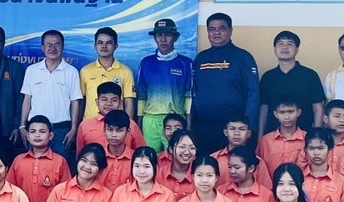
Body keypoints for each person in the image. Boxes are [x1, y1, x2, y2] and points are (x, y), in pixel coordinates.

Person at [191, 13, 259, 155]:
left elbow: (253, 93)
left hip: (233, 130)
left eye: (221, 28)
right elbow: (193, 92)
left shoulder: (243, 57)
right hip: (204, 129)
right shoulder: (201, 58)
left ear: (230, 31)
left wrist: (249, 127)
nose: (216, 32)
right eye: (212, 29)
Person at [20, 30, 83, 159]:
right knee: (36, 164)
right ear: (43, 48)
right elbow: (27, 99)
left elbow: (75, 102)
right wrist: (22, 126)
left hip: (61, 130)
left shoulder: (72, 72)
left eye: (57, 44)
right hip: (36, 129)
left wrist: (73, 129)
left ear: (63, 47)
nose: (52, 48)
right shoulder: (32, 70)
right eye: (49, 44)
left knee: (60, 165)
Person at [136, 19, 193, 153]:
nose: (163, 39)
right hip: (150, 120)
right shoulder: (146, 63)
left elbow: (189, 96)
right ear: (155, 38)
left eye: (167, 35)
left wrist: (188, 125)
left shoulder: (185, 63)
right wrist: (139, 124)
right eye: (159, 35)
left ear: (175, 37)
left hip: (175, 120)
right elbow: (142, 96)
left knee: (175, 157)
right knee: (150, 157)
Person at [258, 31, 324, 135]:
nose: (284, 47)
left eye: (289, 44)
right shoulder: (268, 77)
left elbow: (318, 108)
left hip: (304, 135)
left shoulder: (310, 75)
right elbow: (264, 110)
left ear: (297, 50)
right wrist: (260, 138)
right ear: (275, 49)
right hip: (273, 136)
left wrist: (317, 135)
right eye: (280, 44)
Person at [80, 27, 136, 119]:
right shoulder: (85, 71)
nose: (104, 46)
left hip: (116, 124)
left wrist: (128, 124)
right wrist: (78, 125)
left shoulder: (126, 71)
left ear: (116, 46)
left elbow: (129, 102)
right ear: (95, 46)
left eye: (109, 43)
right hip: (90, 124)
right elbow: (81, 101)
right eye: (100, 43)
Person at [75, 82, 146, 153]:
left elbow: (141, 153)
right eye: (104, 100)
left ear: (120, 103)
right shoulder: (85, 126)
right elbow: (80, 155)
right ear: (97, 102)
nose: (109, 104)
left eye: (114, 100)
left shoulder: (131, 125)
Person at [214, 116, 272, 191]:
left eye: (242, 129)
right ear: (225, 132)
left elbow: (266, 191)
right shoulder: (214, 159)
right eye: (232, 129)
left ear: (248, 133)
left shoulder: (257, 162)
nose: (236, 133)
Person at [257, 100, 308, 171]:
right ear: (275, 114)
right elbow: (259, 168)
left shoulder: (307, 138)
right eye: (282, 112)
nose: (287, 117)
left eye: (290, 112)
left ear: (298, 112)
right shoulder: (266, 141)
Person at [99, 110, 136, 193]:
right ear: (104, 130)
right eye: (110, 130)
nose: (114, 135)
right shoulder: (97, 156)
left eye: (119, 130)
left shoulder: (135, 159)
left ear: (128, 131)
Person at [157, 128, 197, 200]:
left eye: (192, 148)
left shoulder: (199, 176)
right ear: (171, 149)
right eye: (182, 147)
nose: (187, 152)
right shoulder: (158, 174)